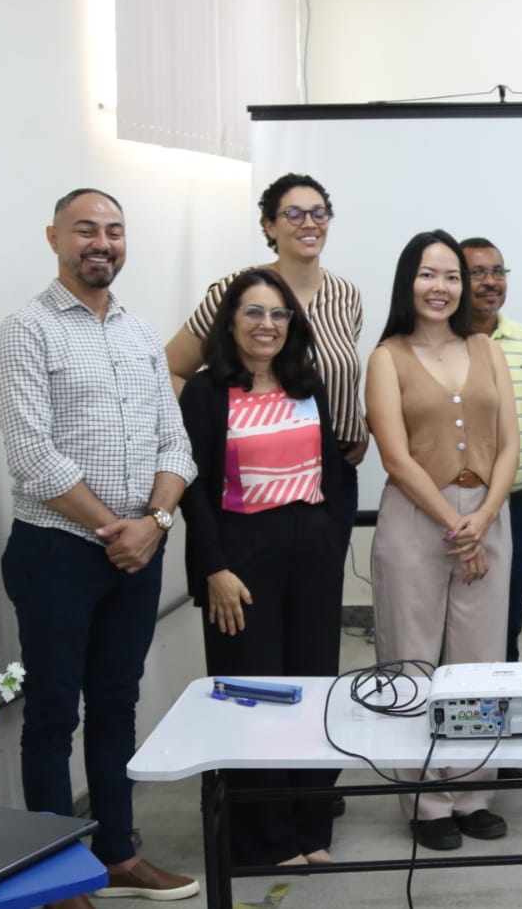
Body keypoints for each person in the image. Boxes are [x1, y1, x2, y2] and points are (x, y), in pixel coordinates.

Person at [0, 188, 199, 902]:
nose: (101, 243)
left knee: (116, 706)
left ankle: (116, 855)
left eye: (114, 230)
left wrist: (155, 522)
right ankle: (53, 876)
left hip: (139, 550)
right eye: (86, 230)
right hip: (56, 553)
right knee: (53, 716)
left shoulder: (140, 335)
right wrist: (119, 529)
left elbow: (176, 444)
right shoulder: (26, 331)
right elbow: (32, 456)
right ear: (54, 238)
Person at [177, 268, 347, 867]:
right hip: (240, 556)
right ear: (230, 321)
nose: (266, 325)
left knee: (313, 689)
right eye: (253, 312)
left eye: (278, 314)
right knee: (255, 695)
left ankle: (310, 829)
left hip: (312, 551)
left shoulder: (306, 383)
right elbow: (192, 488)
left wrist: (332, 535)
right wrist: (213, 569)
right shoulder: (205, 391)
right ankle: (264, 839)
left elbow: (333, 465)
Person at [365, 229, 520, 851]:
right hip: (415, 518)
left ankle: (473, 792)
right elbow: (395, 458)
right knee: (413, 660)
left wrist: (484, 517)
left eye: (452, 276)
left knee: (480, 662)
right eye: (428, 275)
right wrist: (457, 526)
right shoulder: (387, 356)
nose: (442, 287)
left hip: (486, 516)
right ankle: (426, 801)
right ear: (408, 281)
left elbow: (510, 444)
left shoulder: (486, 349)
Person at [166, 173, 367, 539]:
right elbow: (170, 369)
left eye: (319, 213)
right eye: (294, 214)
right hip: (254, 473)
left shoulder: (346, 295)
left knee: (322, 571)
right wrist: (219, 420)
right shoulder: (234, 291)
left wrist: (357, 426)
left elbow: (338, 375)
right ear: (270, 226)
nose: (309, 223)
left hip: (332, 471)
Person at [460, 237, 522, 662]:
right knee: (457, 622)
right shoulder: (437, 342)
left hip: (517, 508)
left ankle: (501, 700)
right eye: (477, 273)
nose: (490, 282)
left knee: (507, 623)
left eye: (498, 272)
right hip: (456, 509)